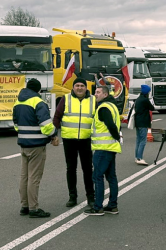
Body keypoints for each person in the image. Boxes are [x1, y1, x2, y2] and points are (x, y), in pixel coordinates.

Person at [13, 79, 57, 218]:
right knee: (34, 177)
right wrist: (53, 135)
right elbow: (46, 125)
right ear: (38, 90)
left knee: (24, 176)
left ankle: (24, 206)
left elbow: (15, 123)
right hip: (36, 145)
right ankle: (34, 208)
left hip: (23, 143)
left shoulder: (18, 102)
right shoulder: (38, 102)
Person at [53, 77, 96, 208]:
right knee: (71, 169)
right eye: (77, 85)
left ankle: (91, 197)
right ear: (73, 88)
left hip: (86, 140)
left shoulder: (93, 100)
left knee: (88, 170)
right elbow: (57, 117)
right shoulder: (66, 99)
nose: (79, 88)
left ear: (86, 88)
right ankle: (72, 197)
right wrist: (55, 134)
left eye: (82, 86)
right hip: (69, 140)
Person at [84, 85, 122, 215]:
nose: (96, 94)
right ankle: (112, 206)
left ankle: (98, 206)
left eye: (98, 92)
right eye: (95, 92)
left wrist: (116, 135)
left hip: (103, 148)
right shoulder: (112, 106)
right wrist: (117, 137)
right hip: (111, 147)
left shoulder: (103, 108)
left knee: (97, 176)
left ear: (105, 95)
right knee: (111, 177)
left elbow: (111, 125)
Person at [134, 84, 155, 165]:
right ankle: (140, 158)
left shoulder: (138, 99)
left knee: (138, 140)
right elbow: (152, 108)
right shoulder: (145, 100)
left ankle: (136, 157)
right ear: (147, 92)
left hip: (138, 122)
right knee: (143, 140)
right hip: (143, 122)